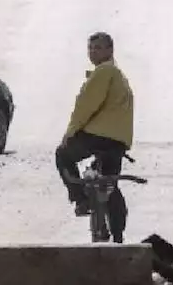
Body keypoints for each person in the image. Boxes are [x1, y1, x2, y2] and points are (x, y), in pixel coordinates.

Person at [55, 31, 135, 242]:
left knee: (63, 155)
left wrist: (70, 132)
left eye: (98, 48)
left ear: (110, 50)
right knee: (110, 184)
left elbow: (86, 106)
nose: (93, 52)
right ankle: (118, 235)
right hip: (118, 142)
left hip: (99, 136)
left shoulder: (104, 71)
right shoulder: (118, 75)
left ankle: (80, 199)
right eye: (90, 48)